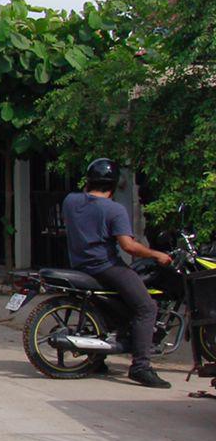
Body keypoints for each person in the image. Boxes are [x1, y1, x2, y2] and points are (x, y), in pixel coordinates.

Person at [61, 158, 172, 389]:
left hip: (79, 265)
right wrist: (156, 255)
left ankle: (97, 357)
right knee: (146, 307)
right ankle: (141, 366)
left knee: (116, 305)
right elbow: (129, 247)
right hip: (105, 267)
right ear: (112, 186)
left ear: (89, 181)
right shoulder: (114, 210)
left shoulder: (70, 201)